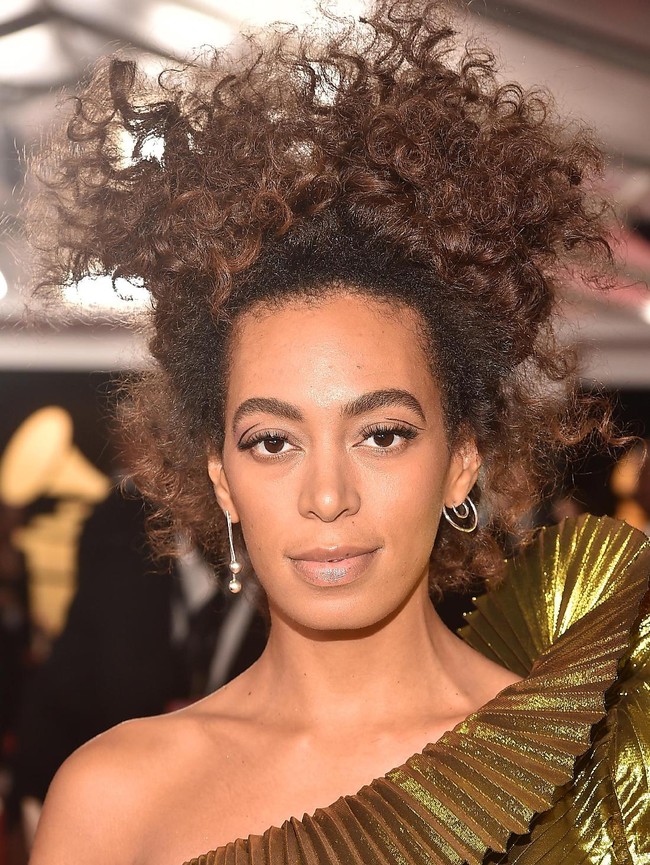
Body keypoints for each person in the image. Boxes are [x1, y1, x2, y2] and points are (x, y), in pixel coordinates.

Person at [26, 2, 649, 863]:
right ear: (218, 477)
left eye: (383, 434)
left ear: (462, 458)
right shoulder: (114, 801)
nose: (327, 496)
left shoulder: (596, 781)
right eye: (272, 442)